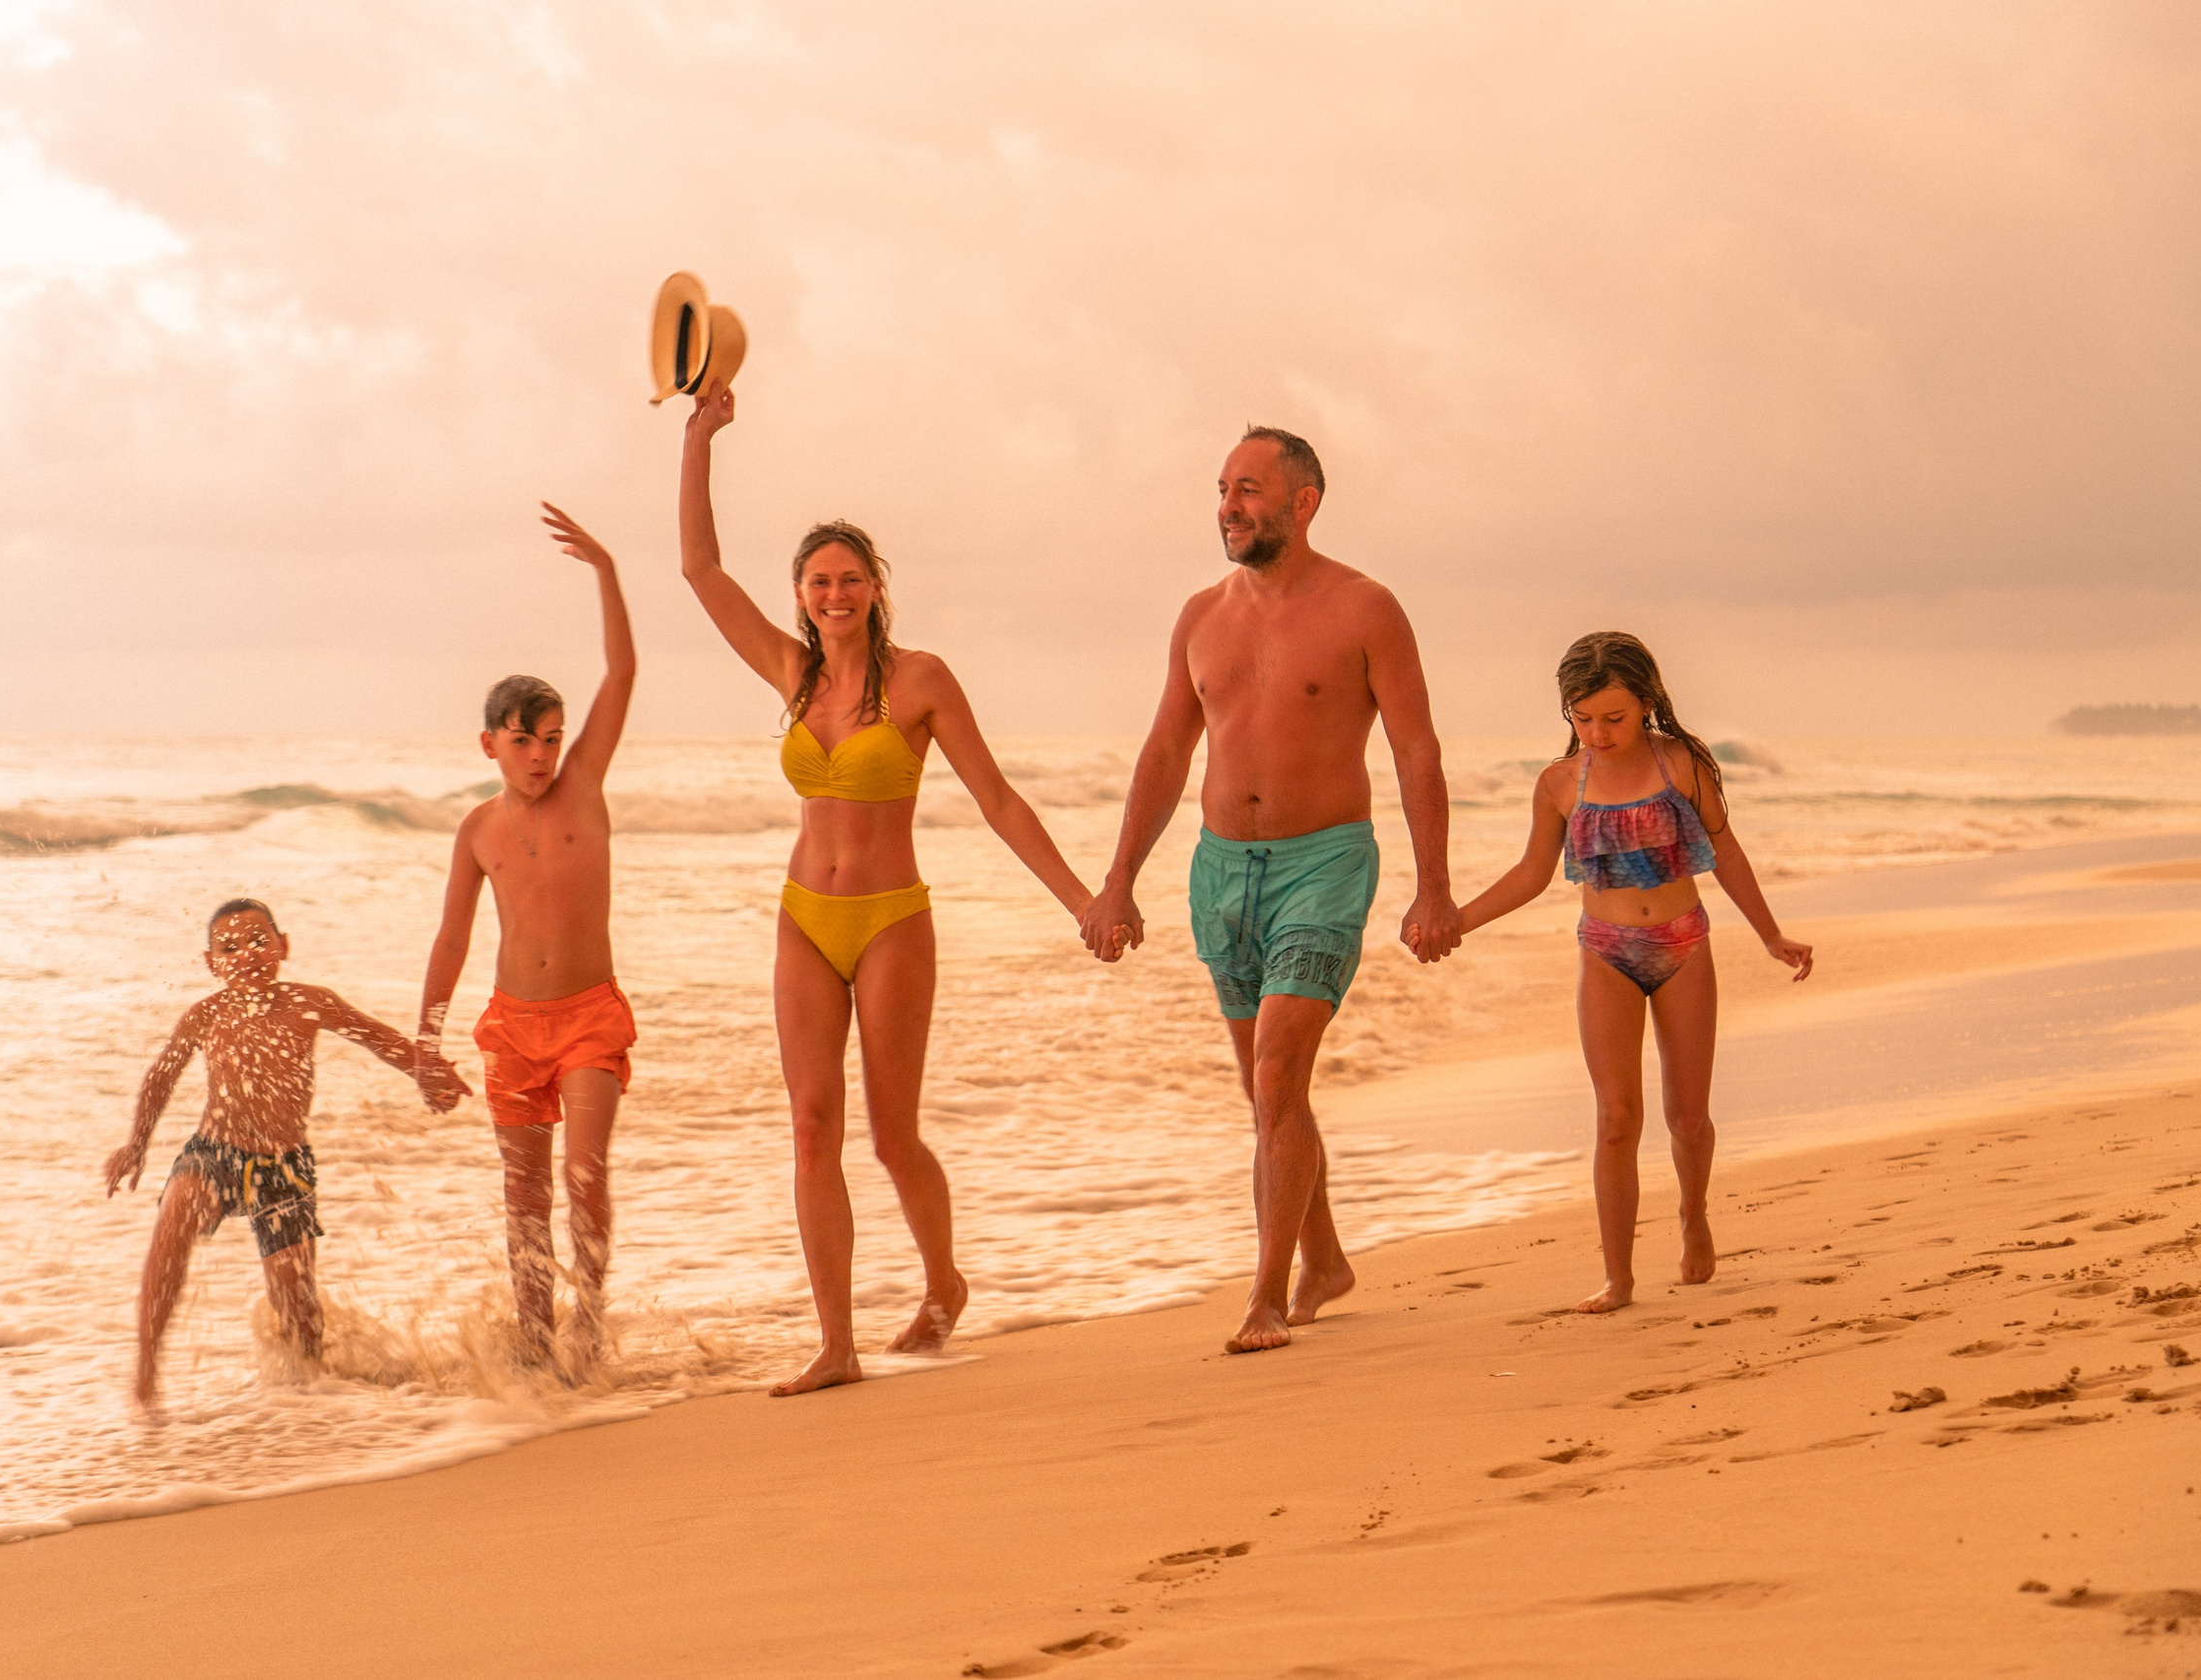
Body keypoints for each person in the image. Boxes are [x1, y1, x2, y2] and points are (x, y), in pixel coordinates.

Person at [678, 386, 1103, 1397]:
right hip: (803, 918)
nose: (835, 594)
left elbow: (998, 800)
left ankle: (943, 1279)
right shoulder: (788, 672)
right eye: (819, 581)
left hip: (891, 922)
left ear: (874, 588)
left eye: (851, 579)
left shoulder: (920, 681)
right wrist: (699, 438)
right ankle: (837, 1343)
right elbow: (699, 568)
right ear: (800, 594)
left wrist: (1082, 901)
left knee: (890, 1132)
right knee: (811, 1124)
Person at [1081, 426, 1460, 1356]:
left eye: (1247, 489)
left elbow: (1415, 748)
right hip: (1221, 869)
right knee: (1267, 1088)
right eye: (1222, 489)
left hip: (1324, 862)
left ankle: (1268, 1295)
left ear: (1304, 501)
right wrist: (1117, 880)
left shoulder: (1366, 609)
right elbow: (1166, 751)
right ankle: (1324, 1259)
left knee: (1280, 1070)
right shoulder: (1199, 617)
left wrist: (1434, 887)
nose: (1228, 507)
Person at [1455, 631, 1813, 1312]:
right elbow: (1531, 873)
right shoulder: (1559, 783)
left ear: (1646, 703)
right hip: (1605, 952)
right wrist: (1457, 920)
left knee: (1687, 1118)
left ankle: (1693, 1214)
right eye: (1583, 717)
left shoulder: (1682, 765)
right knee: (1617, 1119)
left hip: (1684, 947)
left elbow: (1726, 851)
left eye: (1613, 718)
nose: (1597, 733)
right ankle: (1617, 1278)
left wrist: (1770, 934)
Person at [418, 505, 637, 1374]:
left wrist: (606, 570)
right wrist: (427, 1038)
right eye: (524, 742)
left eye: (551, 739)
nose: (542, 756)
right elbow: (452, 938)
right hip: (512, 1024)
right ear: (490, 744)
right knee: (524, 1191)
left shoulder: (584, 785)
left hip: (587, 1017)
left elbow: (623, 671)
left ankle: (590, 1320)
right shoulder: (478, 830)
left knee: (584, 1173)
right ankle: (534, 1339)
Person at [104, 899, 468, 1417]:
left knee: (296, 1300)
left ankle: (312, 1395)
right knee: (175, 1218)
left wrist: (425, 1071)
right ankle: (146, 1374)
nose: (246, 954)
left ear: (283, 946)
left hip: (283, 1168)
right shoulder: (205, 1015)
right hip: (215, 1154)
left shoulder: (308, 1002)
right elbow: (161, 1076)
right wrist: (136, 1144)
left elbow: (376, 1037)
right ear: (211, 963)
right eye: (230, 948)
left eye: (259, 941)